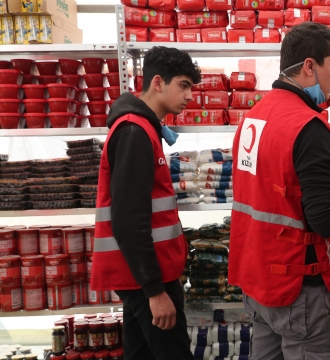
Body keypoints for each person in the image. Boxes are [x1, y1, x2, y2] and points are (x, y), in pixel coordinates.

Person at [229, 22, 330, 360]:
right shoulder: (309, 127)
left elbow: (271, 192)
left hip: (260, 281)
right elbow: (326, 220)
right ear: (309, 66)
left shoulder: (254, 117)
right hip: (301, 290)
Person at [90, 46, 201, 360]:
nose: (190, 95)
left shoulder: (143, 129)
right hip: (145, 280)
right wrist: (155, 291)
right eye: (183, 85)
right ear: (157, 83)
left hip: (141, 275)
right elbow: (128, 220)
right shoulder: (134, 133)